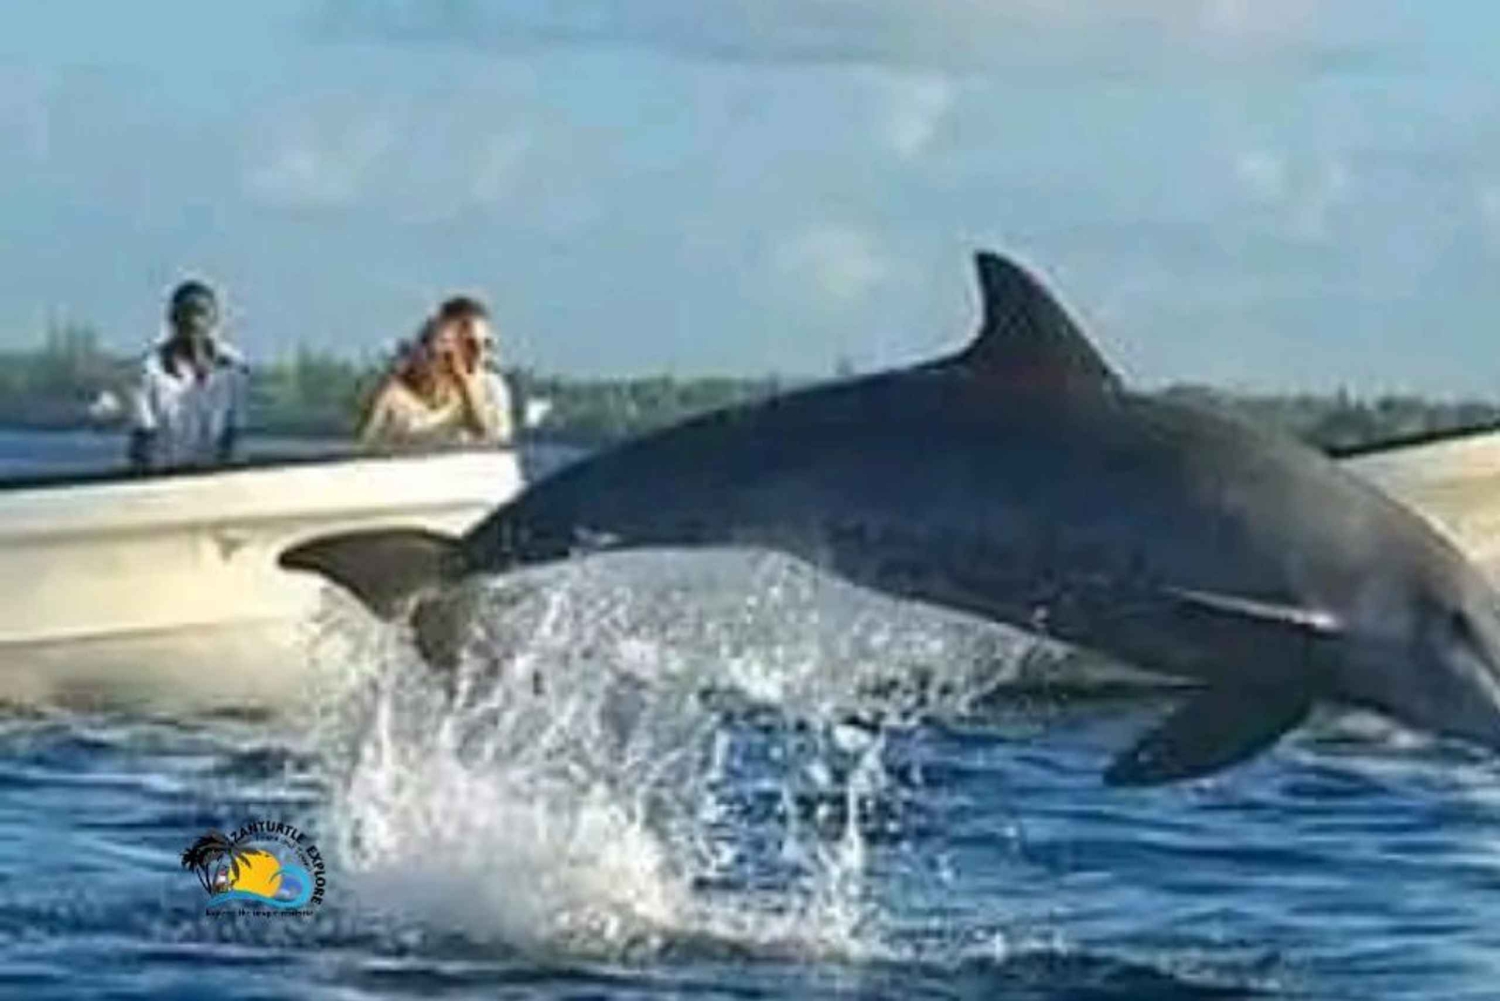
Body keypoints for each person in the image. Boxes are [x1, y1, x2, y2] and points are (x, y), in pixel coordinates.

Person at [359, 295, 514, 449]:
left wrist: (464, 384)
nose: (480, 355)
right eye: (470, 345)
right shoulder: (397, 395)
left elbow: (491, 439)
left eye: (487, 345)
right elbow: (364, 440)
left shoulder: (491, 387)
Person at [127, 279, 248, 472]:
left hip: (218, 485)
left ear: (214, 319)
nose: (194, 321)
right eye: (186, 313)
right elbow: (143, 442)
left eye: (201, 313)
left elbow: (234, 437)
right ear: (172, 319)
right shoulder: (150, 371)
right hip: (164, 483)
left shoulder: (233, 368)